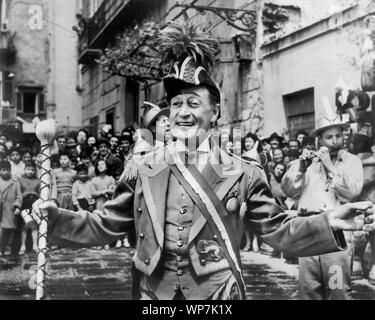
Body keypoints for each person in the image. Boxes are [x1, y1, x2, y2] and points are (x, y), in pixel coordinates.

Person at [32, 19, 375, 300]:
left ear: (215, 112)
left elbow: (276, 229)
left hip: (216, 295)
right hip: (154, 295)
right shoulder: (142, 167)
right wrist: (55, 218)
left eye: (193, 103)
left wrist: (329, 223)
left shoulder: (243, 172)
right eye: (176, 104)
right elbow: (105, 225)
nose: (183, 112)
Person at [281, 98, 364, 300]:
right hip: (309, 229)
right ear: (320, 139)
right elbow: (288, 190)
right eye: (329, 137)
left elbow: (353, 193)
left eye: (338, 135)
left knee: (337, 289)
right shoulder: (307, 162)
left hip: (338, 231)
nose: (335, 141)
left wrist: (330, 168)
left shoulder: (352, 162)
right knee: (309, 290)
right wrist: (301, 168)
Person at [0, 160, 22, 256]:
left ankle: (9, 248)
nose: (6, 172)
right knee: (1, 229)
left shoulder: (15, 181)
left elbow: (19, 196)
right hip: (1, 208)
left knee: (9, 229)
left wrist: (17, 206)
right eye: (3, 170)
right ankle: (1, 249)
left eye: (8, 170)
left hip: (10, 208)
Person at [19, 161, 39, 254]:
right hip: (25, 202)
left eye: (32, 170)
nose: (30, 171)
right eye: (28, 169)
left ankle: (35, 245)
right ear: (24, 170)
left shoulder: (37, 180)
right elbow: (19, 193)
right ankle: (23, 246)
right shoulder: (20, 180)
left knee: (34, 225)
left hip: (34, 202)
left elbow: (39, 192)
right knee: (25, 226)